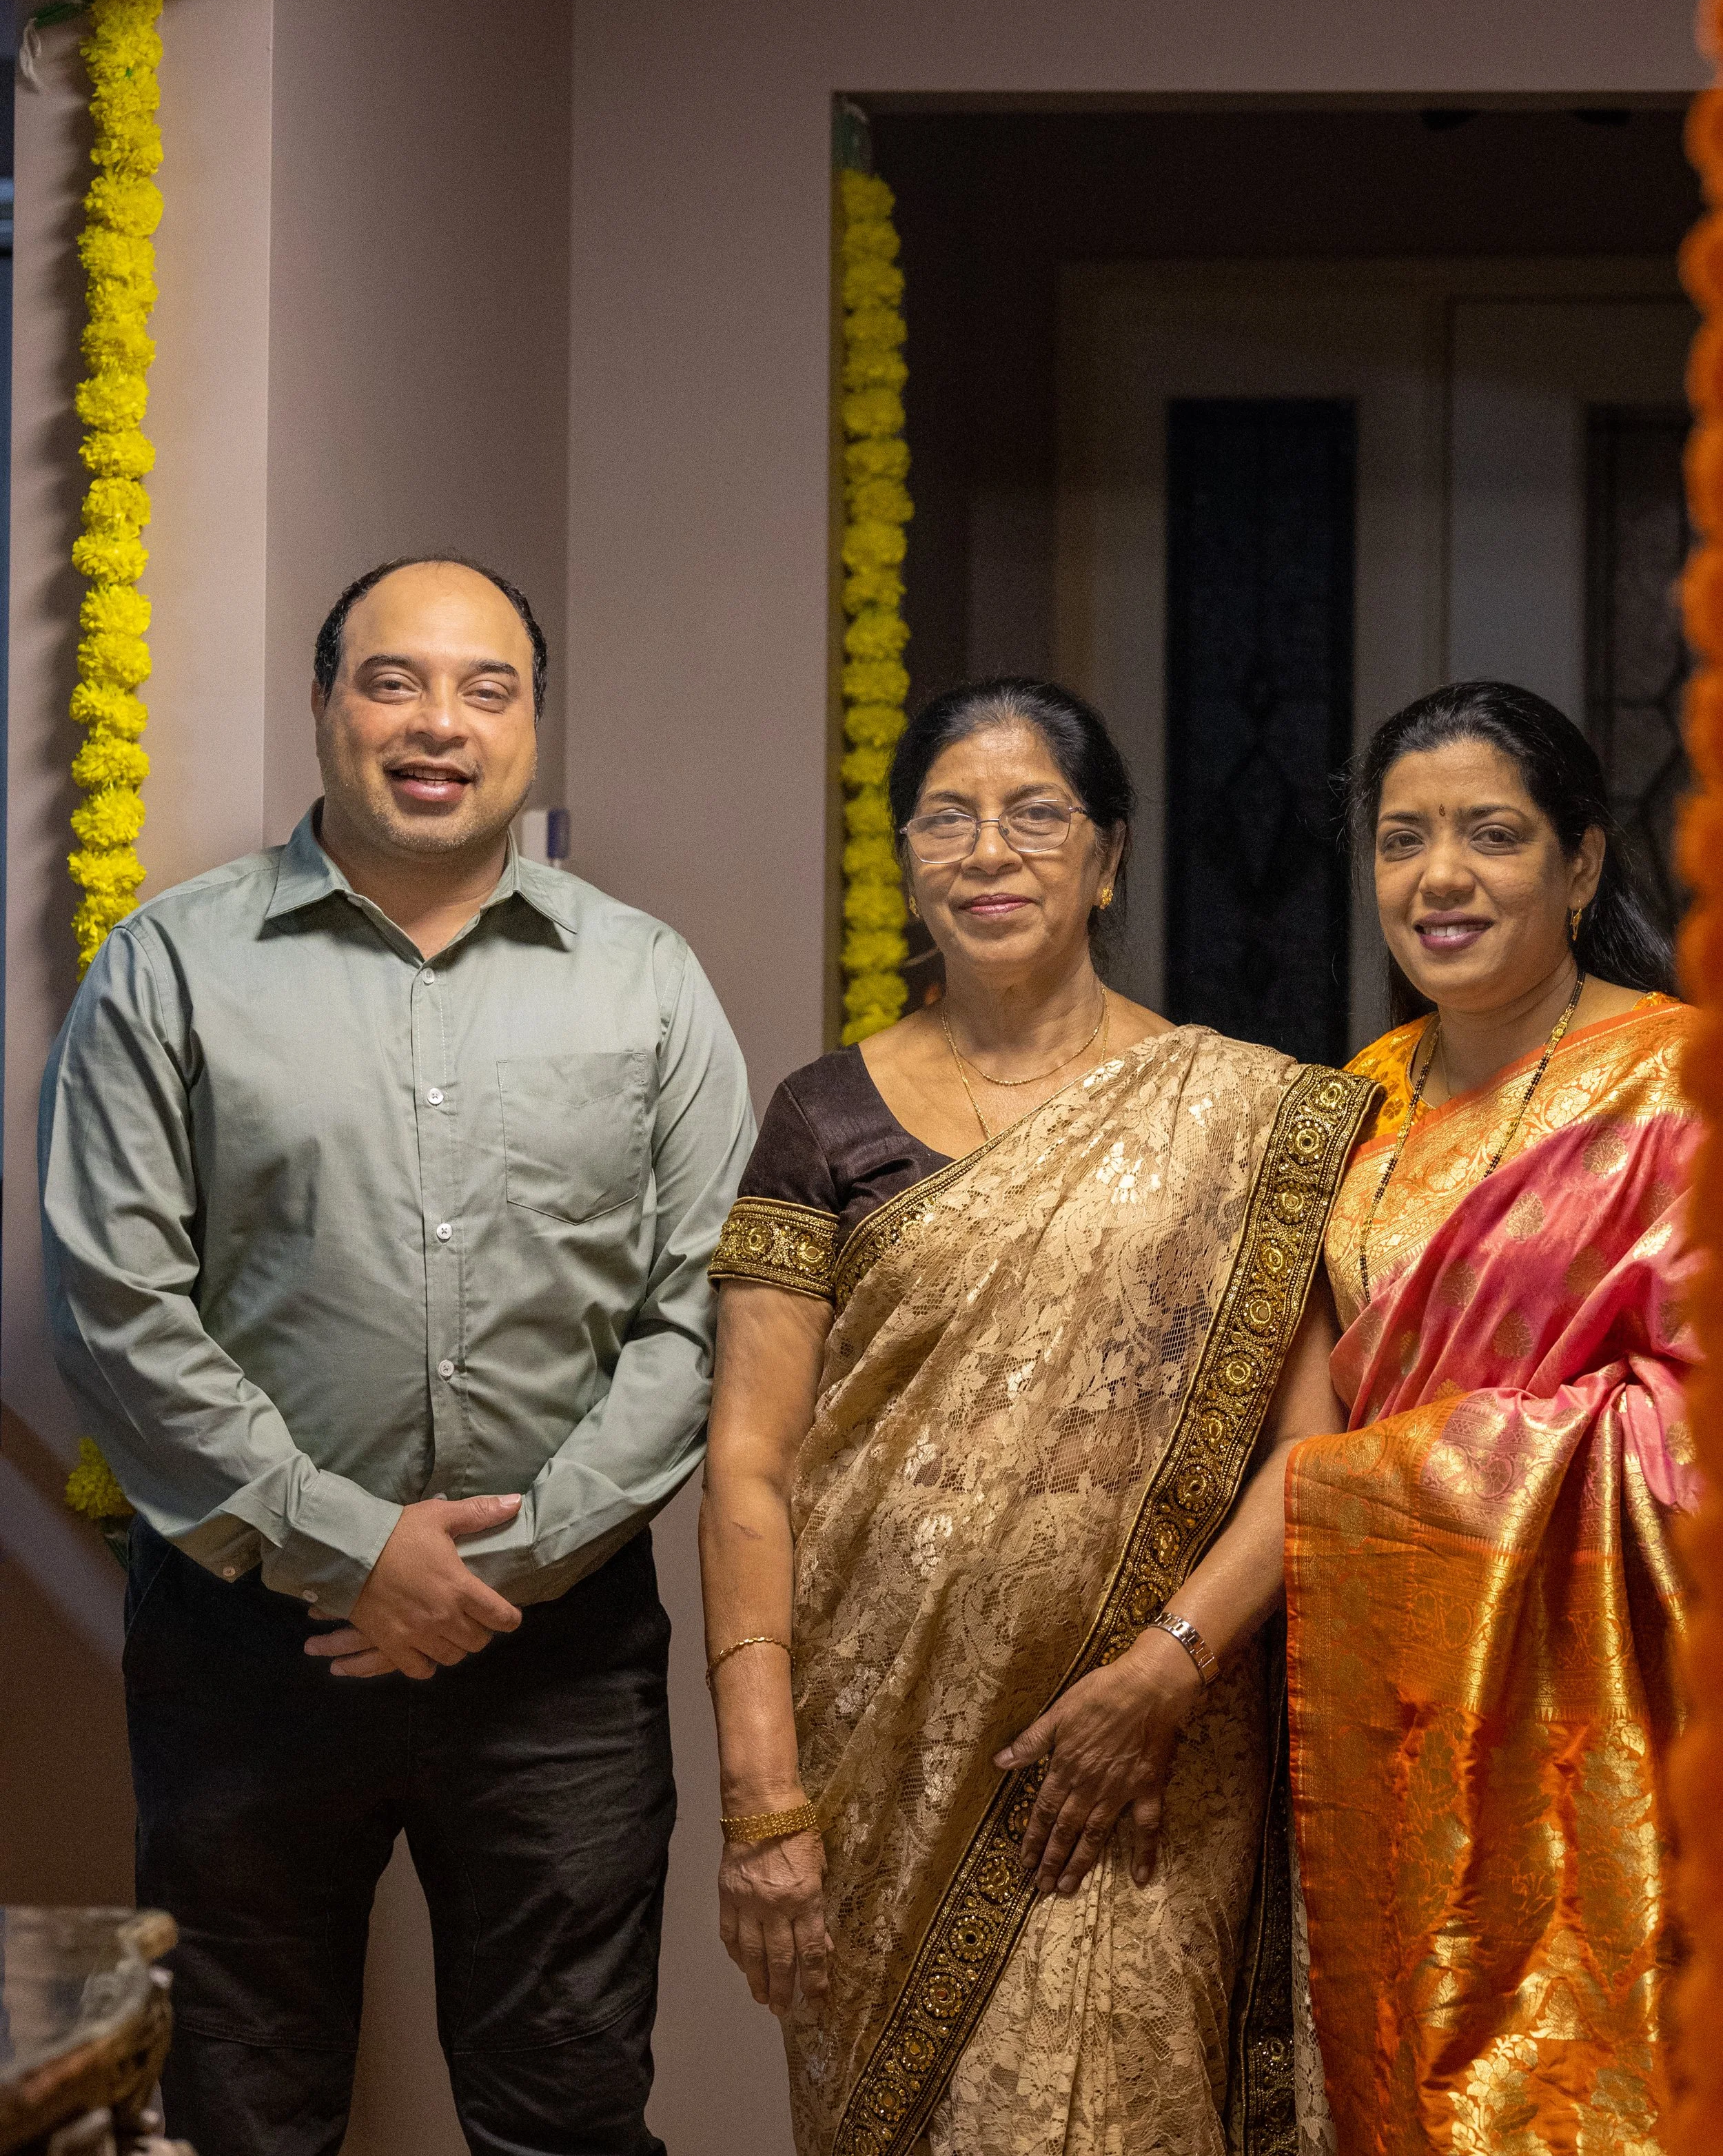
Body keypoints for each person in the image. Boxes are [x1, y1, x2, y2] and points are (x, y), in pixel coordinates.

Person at [41, 556, 753, 2156]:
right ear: (323, 705)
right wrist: (351, 1551)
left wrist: (528, 1553)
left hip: (557, 1659)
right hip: (246, 1645)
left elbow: (704, 1305)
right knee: (238, 2105)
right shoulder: (170, 969)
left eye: (486, 688)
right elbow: (117, 1301)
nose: (439, 724)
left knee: (567, 2110)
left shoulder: (642, 981)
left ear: (533, 727)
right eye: (393, 680)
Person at [699, 677, 1377, 2156]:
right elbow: (748, 1468)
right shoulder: (821, 1119)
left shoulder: (1248, 1116)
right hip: (877, 1769)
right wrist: (761, 1800)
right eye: (944, 818)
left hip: (1145, 1774)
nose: (985, 851)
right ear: (903, 861)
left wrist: (1167, 1668)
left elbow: (1307, 1454)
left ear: (1108, 855)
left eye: (1032, 814)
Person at [1284, 680, 1697, 2155]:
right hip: (1375, 1702)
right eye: (1401, 840)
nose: (1437, 878)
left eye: (1489, 835)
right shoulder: (1355, 1104)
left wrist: (1387, 1489)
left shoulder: (1672, 1086)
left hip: (1601, 1727)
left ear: (1580, 865)